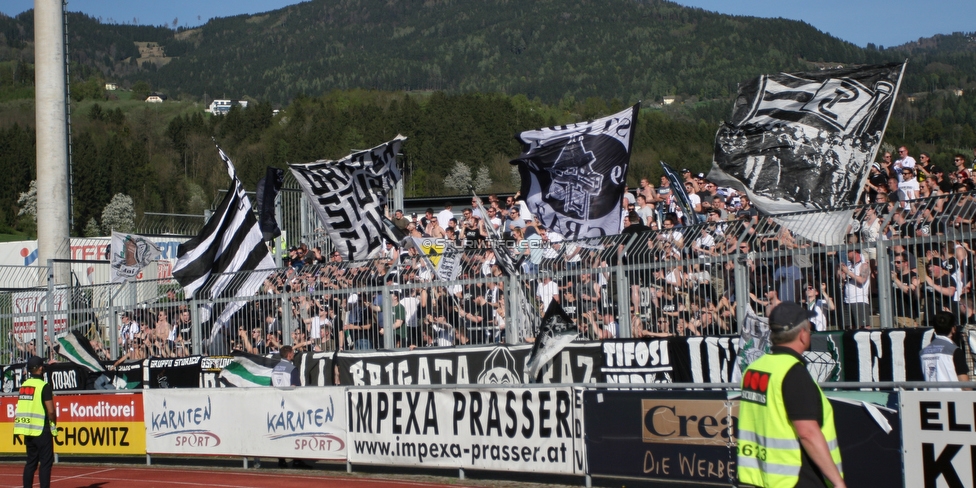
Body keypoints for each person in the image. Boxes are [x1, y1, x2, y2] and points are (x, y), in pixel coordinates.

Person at [737, 302, 845, 488]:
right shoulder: (793, 373)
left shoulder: (754, 369)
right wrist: (837, 482)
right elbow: (808, 433)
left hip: (762, 476)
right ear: (803, 334)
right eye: (809, 327)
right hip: (796, 478)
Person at [15, 356, 56, 488]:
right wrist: (54, 423)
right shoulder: (44, 386)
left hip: (27, 429)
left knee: (31, 463)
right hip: (41, 430)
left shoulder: (24, 386)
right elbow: (50, 410)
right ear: (40, 369)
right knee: (45, 464)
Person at [919, 312, 971, 390]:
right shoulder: (955, 351)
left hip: (932, 399)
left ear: (935, 329)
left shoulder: (923, 352)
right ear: (953, 329)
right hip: (953, 399)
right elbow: (965, 384)